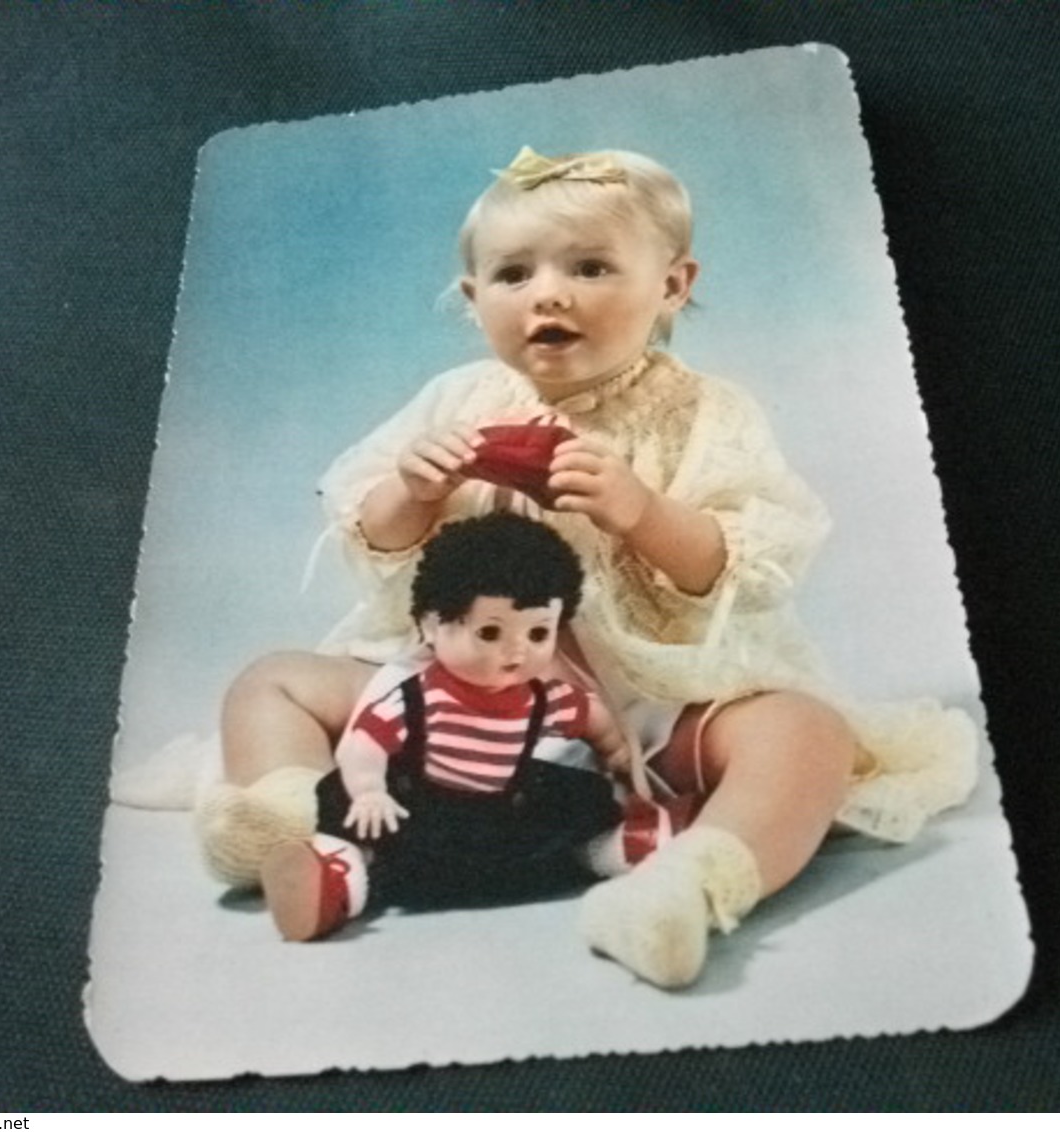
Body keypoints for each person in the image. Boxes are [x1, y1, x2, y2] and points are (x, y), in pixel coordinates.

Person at [197, 146, 976, 988]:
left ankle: (686, 888)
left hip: (643, 701)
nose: (549, 294)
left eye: (591, 267)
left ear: (673, 285)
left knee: (806, 735)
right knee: (271, 680)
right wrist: (412, 491)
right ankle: (294, 823)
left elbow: (748, 561)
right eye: (513, 275)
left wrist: (642, 510)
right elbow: (371, 537)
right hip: (456, 692)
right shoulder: (458, 403)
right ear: (473, 300)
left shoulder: (702, 414)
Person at [262, 510, 637, 942]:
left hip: (503, 815)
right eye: (491, 633)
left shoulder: (544, 699)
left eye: (538, 634)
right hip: (424, 812)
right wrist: (369, 790)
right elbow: (363, 744)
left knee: (581, 795)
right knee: (342, 797)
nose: (516, 652)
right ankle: (338, 874)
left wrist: (617, 756)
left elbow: (592, 717)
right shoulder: (417, 698)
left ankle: (607, 848)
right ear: (431, 625)